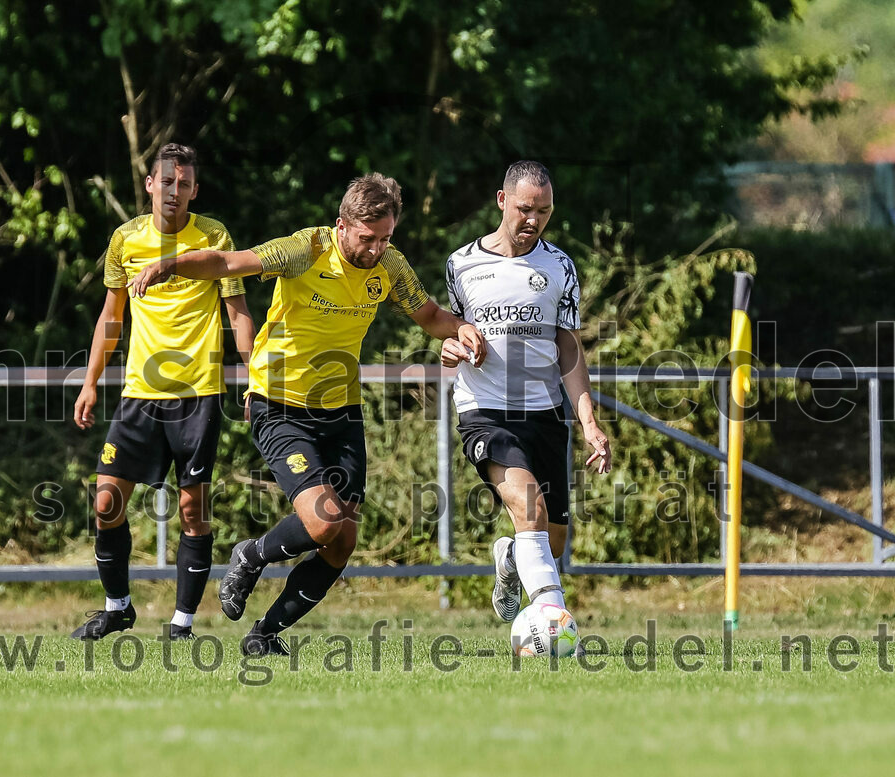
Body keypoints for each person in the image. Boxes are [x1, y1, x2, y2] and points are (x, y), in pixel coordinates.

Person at [129, 172, 486, 655]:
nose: (376, 249)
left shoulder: (390, 266)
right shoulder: (307, 250)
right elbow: (228, 261)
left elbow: (427, 316)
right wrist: (171, 264)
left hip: (341, 411)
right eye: (367, 239)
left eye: (385, 238)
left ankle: (264, 635)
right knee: (322, 522)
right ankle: (251, 556)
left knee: (341, 541)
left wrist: (460, 328)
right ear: (342, 225)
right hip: (280, 404)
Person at [70, 143, 256, 641]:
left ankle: (182, 623)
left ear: (196, 190)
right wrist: (90, 383)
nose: (175, 191)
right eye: (166, 182)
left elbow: (237, 312)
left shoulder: (213, 237)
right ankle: (117, 608)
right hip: (139, 396)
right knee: (106, 503)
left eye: (185, 184)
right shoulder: (125, 240)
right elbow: (111, 318)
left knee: (193, 511)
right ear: (150, 184)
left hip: (197, 396)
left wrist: (255, 374)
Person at [441, 160, 611, 631]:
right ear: (502, 201)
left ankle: (512, 556)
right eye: (524, 209)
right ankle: (552, 621)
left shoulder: (559, 267)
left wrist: (589, 422)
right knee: (529, 506)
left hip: (544, 411)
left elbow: (568, 347)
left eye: (544, 211)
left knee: (551, 540)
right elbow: (450, 330)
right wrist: (452, 345)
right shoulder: (461, 263)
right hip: (484, 410)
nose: (533, 220)